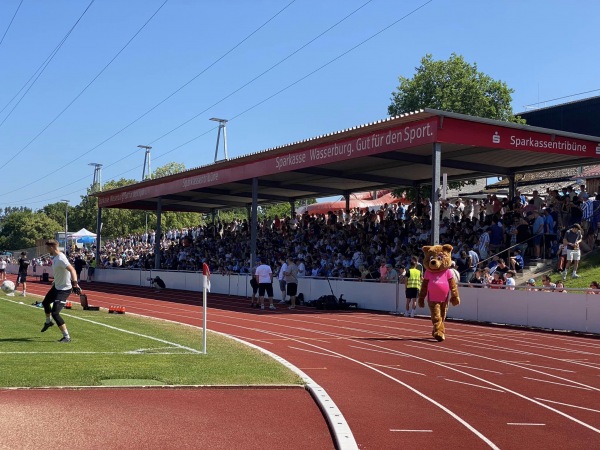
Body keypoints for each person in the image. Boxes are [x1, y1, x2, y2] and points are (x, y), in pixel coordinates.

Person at [40, 239, 81, 343]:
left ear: (52, 247)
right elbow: (61, 272)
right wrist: (55, 281)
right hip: (57, 286)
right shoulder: (55, 257)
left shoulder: (61, 258)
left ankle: (67, 337)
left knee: (55, 313)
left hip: (64, 289)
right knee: (45, 303)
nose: (47, 249)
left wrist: (75, 284)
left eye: (48, 248)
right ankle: (48, 322)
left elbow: (72, 270)